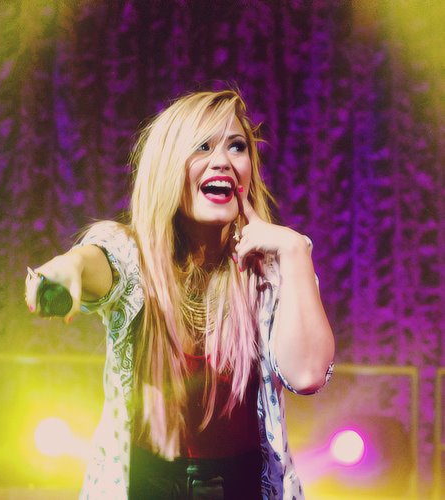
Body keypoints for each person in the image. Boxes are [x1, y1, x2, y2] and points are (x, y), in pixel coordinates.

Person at [25, 89, 335, 500]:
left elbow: (308, 375)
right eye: (202, 146)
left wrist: (295, 251)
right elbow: (98, 259)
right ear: (168, 166)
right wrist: (69, 267)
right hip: (146, 487)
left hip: (242, 487)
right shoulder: (134, 255)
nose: (222, 161)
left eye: (236, 146)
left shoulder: (274, 270)